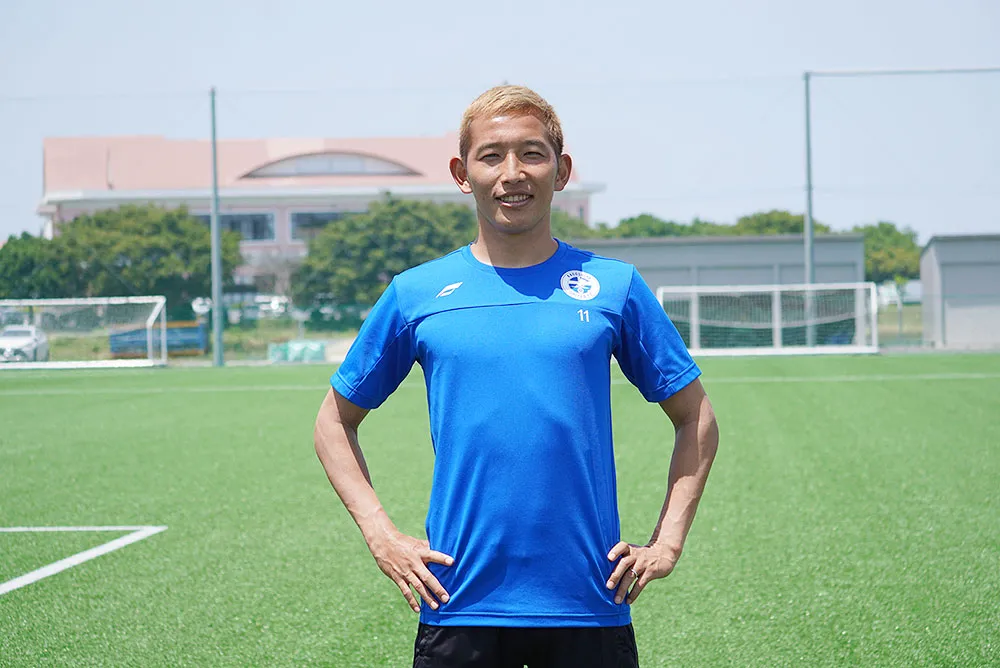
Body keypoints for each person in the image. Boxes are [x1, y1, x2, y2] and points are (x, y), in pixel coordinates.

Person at [314, 85, 719, 668]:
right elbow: (333, 421)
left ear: (562, 170)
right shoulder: (416, 292)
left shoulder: (614, 287)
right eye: (491, 156)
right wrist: (381, 534)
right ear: (462, 174)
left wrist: (667, 542)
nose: (512, 174)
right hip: (459, 603)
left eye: (532, 153)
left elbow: (695, 415)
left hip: (588, 602)